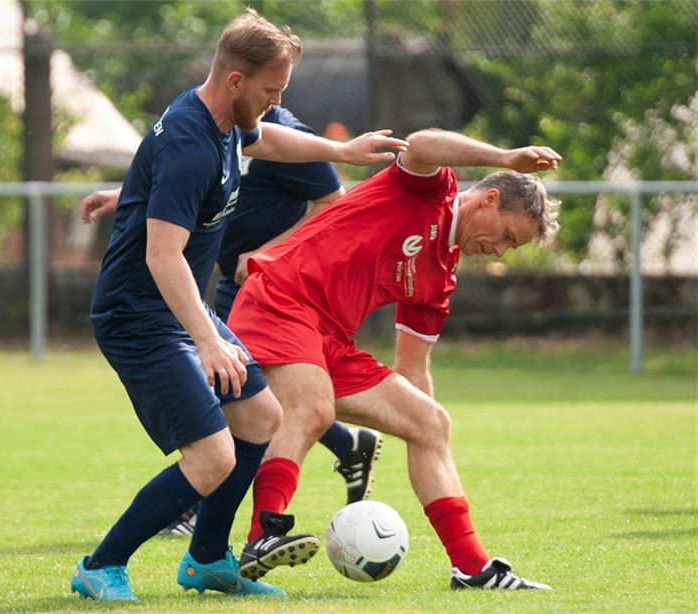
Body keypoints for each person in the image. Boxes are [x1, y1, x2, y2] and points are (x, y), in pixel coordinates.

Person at [69, 9, 407, 602]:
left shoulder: (223, 120)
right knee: (212, 456)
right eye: (271, 90)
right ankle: (101, 564)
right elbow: (162, 255)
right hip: (138, 317)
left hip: (173, 313)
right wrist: (207, 339)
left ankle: (206, 560)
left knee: (261, 417)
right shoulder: (191, 142)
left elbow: (266, 137)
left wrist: (345, 151)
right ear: (235, 81)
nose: (276, 101)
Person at [228, 128, 560, 589]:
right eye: (506, 235)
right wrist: (506, 153)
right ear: (488, 199)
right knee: (313, 406)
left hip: (329, 338)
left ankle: (471, 567)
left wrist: (412, 420)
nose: (500, 250)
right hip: (281, 299)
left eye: (511, 247)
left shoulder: (439, 279)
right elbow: (420, 143)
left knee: (431, 422)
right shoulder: (430, 191)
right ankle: (263, 533)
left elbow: (412, 370)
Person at [81, 105, 384, 539]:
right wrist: (129, 193)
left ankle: (200, 522)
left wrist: (271, 251)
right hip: (209, 287)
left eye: (278, 86)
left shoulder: (276, 130)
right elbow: (176, 176)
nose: (276, 93)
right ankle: (340, 445)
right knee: (239, 401)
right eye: (271, 84)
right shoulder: (213, 125)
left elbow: (331, 204)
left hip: (266, 284)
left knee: (249, 403)